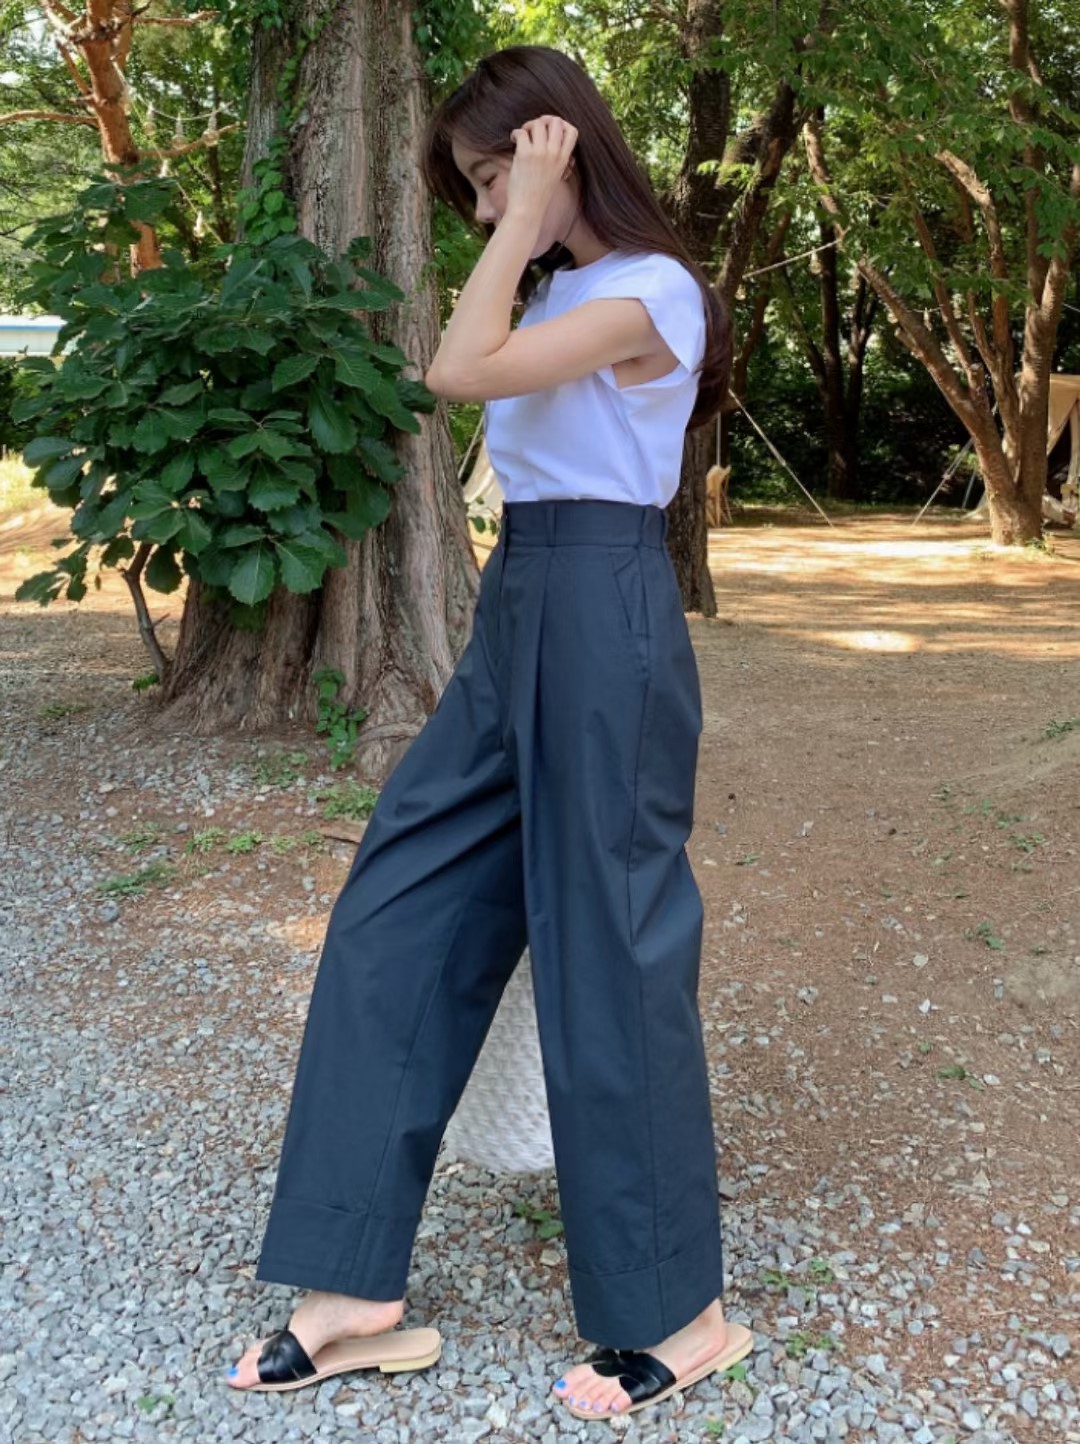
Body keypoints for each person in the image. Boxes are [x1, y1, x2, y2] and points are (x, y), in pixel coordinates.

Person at [226, 42, 753, 1423]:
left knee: (610, 946)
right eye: (467, 190)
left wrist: (520, 221)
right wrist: (519, 227)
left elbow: (458, 370)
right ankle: (352, 1286)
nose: (478, 211)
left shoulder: (651, 289)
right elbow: (477, 365)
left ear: (555, 146)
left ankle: (679, 1312)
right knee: (395, 908)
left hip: (607, 607)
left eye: (488, 176)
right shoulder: (564, 286)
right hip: (520, 601)